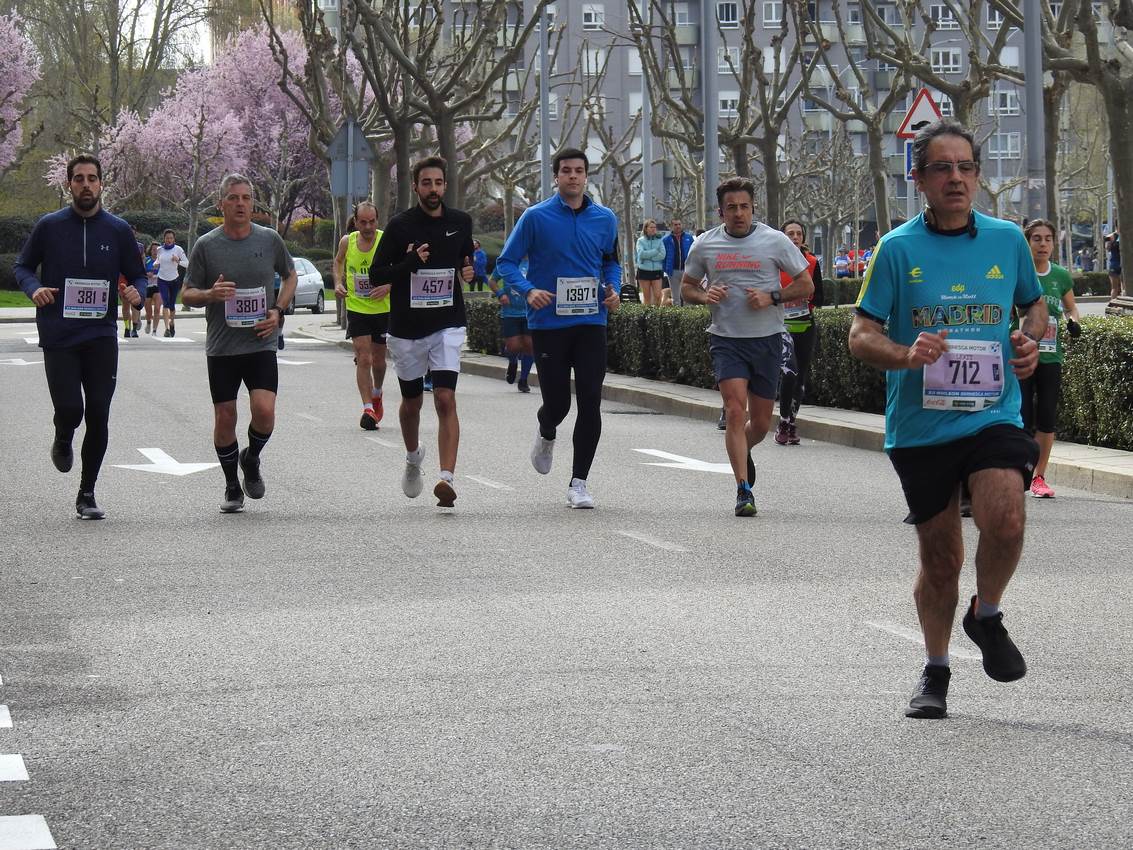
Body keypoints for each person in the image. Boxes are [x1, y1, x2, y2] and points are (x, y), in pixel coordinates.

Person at [847, 120, 1048, 720]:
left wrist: (1028, 339)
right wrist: (908, 355)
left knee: (1006, 519)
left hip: (994, 413)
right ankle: (935, 671)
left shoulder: (1008, 240)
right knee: (942, 558)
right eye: (942, 168)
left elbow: (1033, 307)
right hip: (921, 425)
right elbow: (861, 334)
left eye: (966, 167)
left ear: (978, 177)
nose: (956, 178)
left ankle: (987, 615)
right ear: (921, 179)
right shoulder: (897, 248)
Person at [14, 153, 147, 519]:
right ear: (69, 184)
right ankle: (62, 433)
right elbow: (22, 266)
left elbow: (137, 275)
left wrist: (138, 294)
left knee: (99, 414)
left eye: (92, 178)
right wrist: (34, 288)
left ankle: (87, 493)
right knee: (71, 408)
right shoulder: (50, 226)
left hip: (100, 333)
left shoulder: (118, 230)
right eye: (79, 179)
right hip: (59, 332)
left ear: (101, 184)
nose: (86, 184)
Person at [496, 147, 622, 509]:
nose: (572, 176)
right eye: (565, 170)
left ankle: (578, 483)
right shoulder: (536, 217)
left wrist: (613, 289)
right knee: (558, 404)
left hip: (590, 320)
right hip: (549, 322)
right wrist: (529, 290)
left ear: (586, 176)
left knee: (590, 399)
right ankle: (546, 431)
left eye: (578, 171)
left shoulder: (605, 218)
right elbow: (506, 263)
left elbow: (611, 262)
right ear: (556, 176)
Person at [680, 177, 812, 517]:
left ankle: (742, 450)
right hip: (726, 340)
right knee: (735, 411)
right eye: (731, 208)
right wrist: (703, 295)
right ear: (720, 211)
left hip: (767, 339)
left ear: (753, 208)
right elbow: (687, 288)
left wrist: (773, 296)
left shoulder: (775, 241)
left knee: (763, 423)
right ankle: (743, 489)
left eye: (744, 207)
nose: (739, 214)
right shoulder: (705, 245)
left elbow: (805, 284)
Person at [183, 174, 296, 514]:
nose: (241, 204)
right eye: (233, 198)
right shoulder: (206, 245)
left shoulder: (269, 239)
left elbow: (289, 275)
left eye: (246, 198)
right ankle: (232, 485)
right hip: (223, 346)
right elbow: (187, 293)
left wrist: (278, 310)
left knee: (264, 412)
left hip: (261, 341)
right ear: (221, 204)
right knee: (225, 416)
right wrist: (210, 294)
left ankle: (252, 457)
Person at [368, 156, 475, 508]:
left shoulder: (460, 222)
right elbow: (378, 275)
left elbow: (463, 260)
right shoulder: (400, 227)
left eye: (439, 183)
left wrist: (469, 270)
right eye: (426, 183)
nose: (433, 189)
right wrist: (411, 262)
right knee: (412, 403)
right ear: (415, 186)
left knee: (445, 397)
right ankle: (413, 458)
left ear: (446, 186)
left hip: (447, 323)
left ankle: (446, 478)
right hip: (407, 329)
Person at [1019, 219, 1080, 499]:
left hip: (1050, 357)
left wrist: (1073, 323)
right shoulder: (1018, 274)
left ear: (1054, 244)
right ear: (1027, 242)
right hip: (1019, 357)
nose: (1043, 244)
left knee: (1046, 418)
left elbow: (1071, 310)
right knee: (1021, 418)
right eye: (1036, 239)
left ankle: (1039, 477)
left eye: (1048, 239)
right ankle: (1017, 472)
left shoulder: (1060, 276)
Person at [332, 201, 389, 431]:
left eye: (372, 221)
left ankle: (377, 393)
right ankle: (367, 408)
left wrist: (389, 286)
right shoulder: (348, 241)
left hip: (383, 308)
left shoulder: (386, 240)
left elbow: (402, 268)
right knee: (363, 358)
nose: (368, 227)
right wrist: (337, 282)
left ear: (377, 220)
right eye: (363, 222)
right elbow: (337, 262)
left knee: (379, 361)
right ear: (355, 221)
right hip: (357, 308)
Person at [774, 219, 825, 446]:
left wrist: (805, 297)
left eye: (798, 234)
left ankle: (792, 422)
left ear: (803, 237)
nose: (794, 237)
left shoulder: (811, 262)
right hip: (781, 326)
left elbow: (820, 298)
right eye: (790, 234)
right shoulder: (774, 262)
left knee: (801, 378)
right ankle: (783, 421)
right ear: (783, 237)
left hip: (805, 325)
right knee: (789, 373)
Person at [488, 262, 534, 392]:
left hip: (530, 312)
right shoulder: (505, 262)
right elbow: (492, 281)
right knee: (513, 346)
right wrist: (501, 294)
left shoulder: (535, 259)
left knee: (529, 346)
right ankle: (513, 362)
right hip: (510, 312)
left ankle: (524, 380)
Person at [154, 229, 188, 337]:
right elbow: (158, 260)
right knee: (165, 303)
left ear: (174, 239)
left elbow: (187, 264)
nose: (169, 240)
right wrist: (155, 263)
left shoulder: (178, 249)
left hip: (174, 280)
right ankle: (166, 329)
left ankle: (172, 323)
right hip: (162, 279)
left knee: (172, 305)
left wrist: (178, 260)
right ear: (164, 239)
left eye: (171, 238)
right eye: (167, 238)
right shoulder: (160, 249)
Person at [661, 217, 694, 307]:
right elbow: (663, 256)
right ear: (671, 226)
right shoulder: (666, 240)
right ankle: (677, 317)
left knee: (687, 295)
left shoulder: (689, 237)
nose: (678, 226)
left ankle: (689, 316)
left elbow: (694, 253)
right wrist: (666, 269)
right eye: (675, 225)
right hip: (673, 271)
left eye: (679, 224)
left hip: (686, 271)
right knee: (676, 297)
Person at [634, 219, 666, 306]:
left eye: (655, 227)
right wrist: (655, 251)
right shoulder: (640, 241)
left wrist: (649, 256)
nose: (653, 229)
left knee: (658, 296)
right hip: (644, 271)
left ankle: (656, 316)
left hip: (657, 271)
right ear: (646, 228)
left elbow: (662, 255)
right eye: (651, 227)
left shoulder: (659, 240)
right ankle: (646, 318)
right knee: (647, 297)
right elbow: (641, 254)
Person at [143, 241, 161, 335]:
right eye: (153, 249)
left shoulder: (162, 261)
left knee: (157, 309)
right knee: (148, 309)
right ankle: (149, 322)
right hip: (148, 286)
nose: (155, 251)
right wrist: (147, 274)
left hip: (159, 286)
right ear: (151, 250)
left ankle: (154, 330)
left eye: (157, 250)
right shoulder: (147, 260)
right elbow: (141, 272)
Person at [1105, 225, 1121, 298]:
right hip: (1121, 264)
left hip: (1114, 264)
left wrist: (1110, 241)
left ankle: (1113, 305)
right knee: (1124, 288)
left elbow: (1107, 248)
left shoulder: (1110, 236)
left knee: (1114, 288)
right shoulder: (1127, 235)